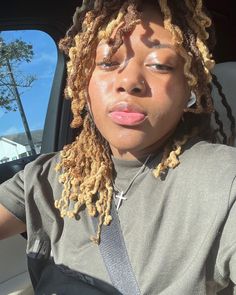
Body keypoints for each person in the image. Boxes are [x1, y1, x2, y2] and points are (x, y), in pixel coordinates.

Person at [0, 0, 236, 294]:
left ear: (189, 87)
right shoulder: (46, 176)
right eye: (108, 63)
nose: (130, 81)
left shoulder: (223, 180)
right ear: (82, 83)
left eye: (160, 65)